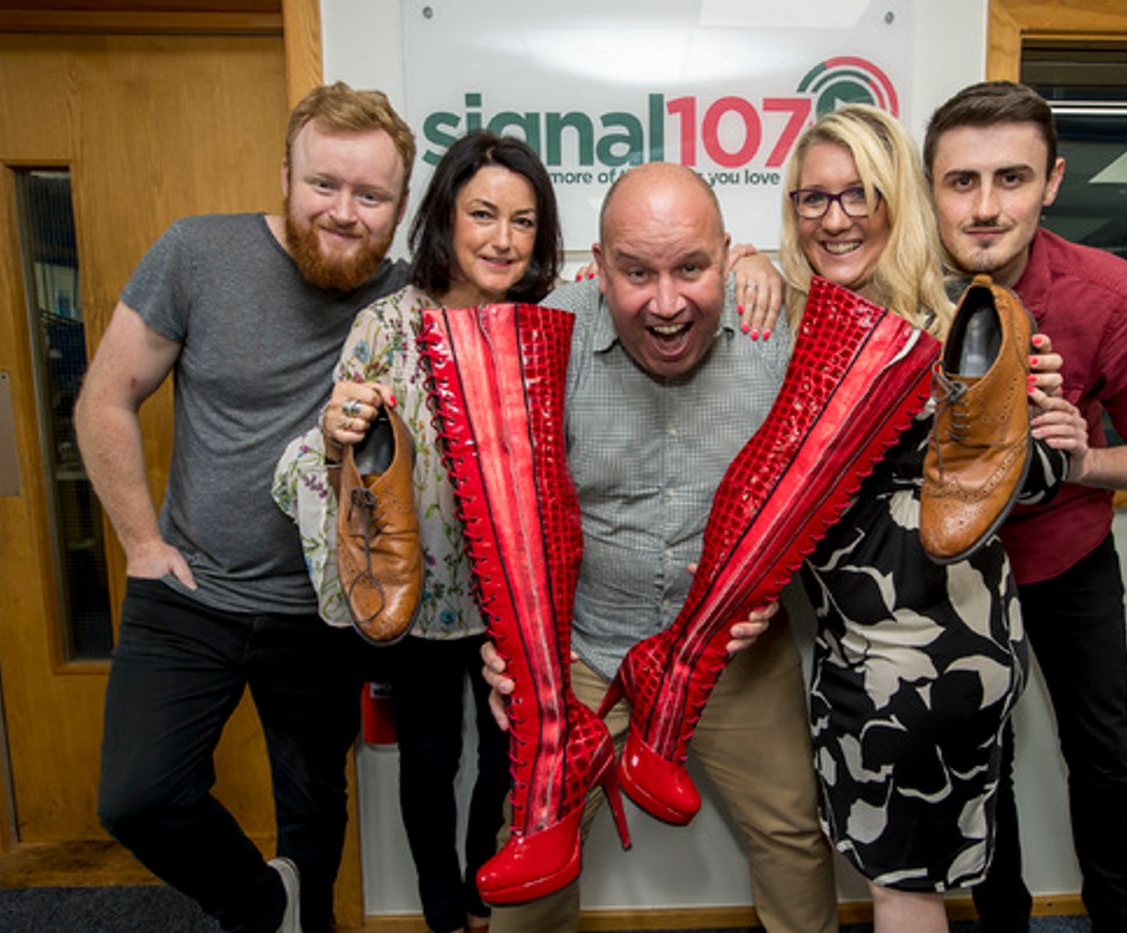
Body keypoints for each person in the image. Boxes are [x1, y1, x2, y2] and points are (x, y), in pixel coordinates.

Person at [76, 82, 416, 933]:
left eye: (370, 195)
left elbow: (527, 288)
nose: (343, 212)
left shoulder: (412, 299)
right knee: (139, 797)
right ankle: (261, 903)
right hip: (190, 588)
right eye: (324, 185)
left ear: (401, 206)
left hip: (322, 609)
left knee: (314, 809)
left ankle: (309, 920)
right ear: (285, 177)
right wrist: (141, 544)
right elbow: (104, 398)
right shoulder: (197, 254)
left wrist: (747, 261)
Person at [484, 161, 839, 933]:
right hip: (586, 646)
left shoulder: (778, 330)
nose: (667, 301)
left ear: (728, 252)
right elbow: (504, 504)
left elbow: (829, 489)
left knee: (790, 832)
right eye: (637, 271)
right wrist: (508, 643)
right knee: (532, 843)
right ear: (600, 266)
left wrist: (776, 581)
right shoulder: (553, 330)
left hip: (731, 650)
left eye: (692, 267)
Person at [781, 104, 1086, 933]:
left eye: (860, 194)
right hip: (861, 646)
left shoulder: (962, 322)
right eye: (814, 199)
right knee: (909, 874)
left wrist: (1059, 434)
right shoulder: (796, 326)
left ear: (897, 201)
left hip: (919, 657)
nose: (836, 218)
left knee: (902, 887)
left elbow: (1035, 473)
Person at [923, 82, 1127, 933]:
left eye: (1011, 178)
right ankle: (1001, 921)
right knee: (980, 761)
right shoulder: (900, 288)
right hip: (947, 567)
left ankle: (1119, 920)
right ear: (929, 187)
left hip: (1066, 558)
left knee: (1104, 759)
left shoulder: (1118, 296)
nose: (985, 206)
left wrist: (1083, 457)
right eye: (961, 181)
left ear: (1052, 181)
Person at [273, 130, 562, 933]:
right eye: (482, 214)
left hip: (518, 589)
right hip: (422, 589)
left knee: (512, 755)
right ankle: (443, 911)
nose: (503, 238)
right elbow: (345, 460)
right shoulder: (384, 326)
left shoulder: (546, 327)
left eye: (524, 220)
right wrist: (335, 429)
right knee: (431, 760)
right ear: (444, 216)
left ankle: (480, 892)